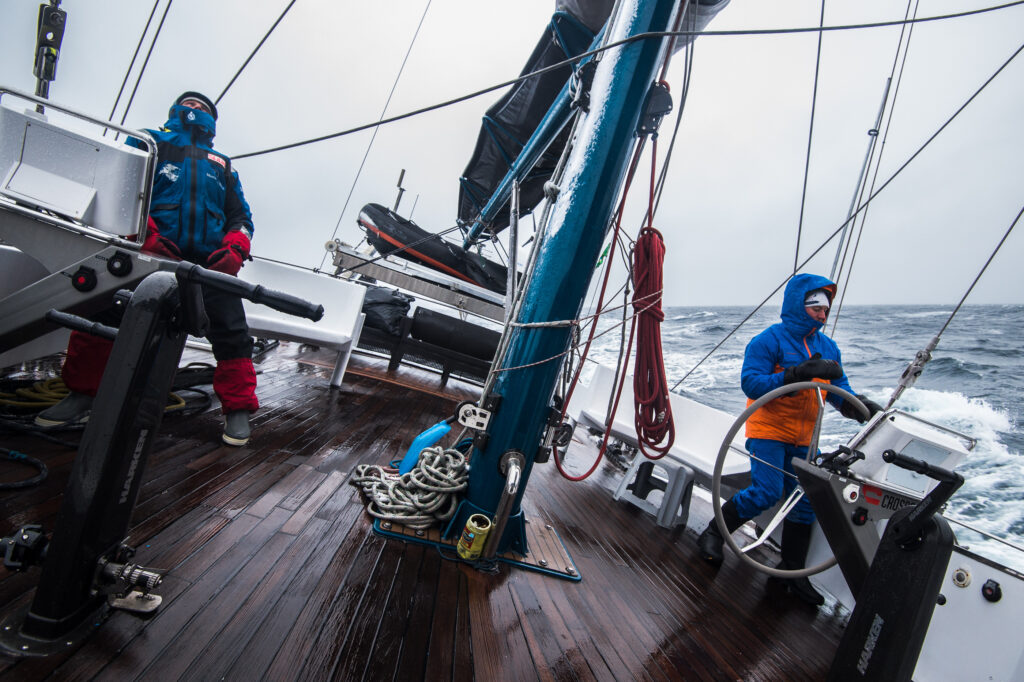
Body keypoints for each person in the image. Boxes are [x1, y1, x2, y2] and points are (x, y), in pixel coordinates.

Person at [35, 91, 259, 446]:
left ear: (212, 121)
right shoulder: (149, 142)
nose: (195, 108)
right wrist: (145, 235)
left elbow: (241, 217)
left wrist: (234, 248)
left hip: (208, 263)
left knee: (233, 331)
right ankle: (83, 393)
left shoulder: (224, 165)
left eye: (203, 107)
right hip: (147, 251)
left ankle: (237, 409)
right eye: (189, 103)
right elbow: (122, 188)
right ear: (175, 109)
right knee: (104, 312)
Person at [695, 273, 882, 605]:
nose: (823, 313)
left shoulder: (828, 348)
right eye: (817, 306)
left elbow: (841, 393)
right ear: (800, 303)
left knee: (809, 499)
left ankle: (791, 571)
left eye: (827, 307)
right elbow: (752, 384)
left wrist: (860, 407)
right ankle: (713, 532)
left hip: (806, 438)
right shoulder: (768, 341)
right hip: (768, 431)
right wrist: (794, 374)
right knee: (767, 492)